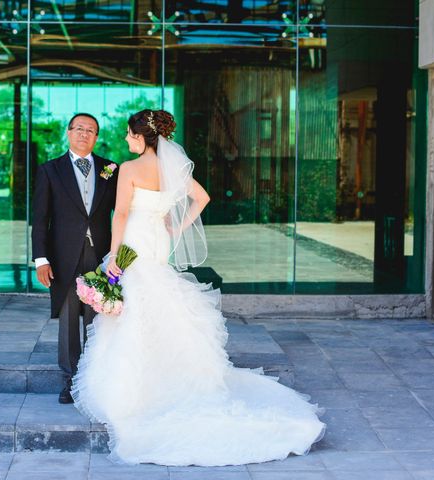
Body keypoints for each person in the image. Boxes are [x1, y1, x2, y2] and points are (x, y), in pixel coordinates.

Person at [70, 109, 326, 466]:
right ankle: (174, 376)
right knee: (158, 298)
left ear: (143, 137)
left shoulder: (129, 169)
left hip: (134, 243)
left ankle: (137, 391)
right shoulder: (173, 168)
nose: (127, 140)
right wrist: (176, 227)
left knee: (137, 305)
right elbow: (202, 198)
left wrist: (114, 254)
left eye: (130, 134)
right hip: (158, 242)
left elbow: (122, 215)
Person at [31, 113, 118, 404]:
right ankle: (71, 380)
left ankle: (96, 378)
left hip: (101, 254)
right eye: (79, 129)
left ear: (96, 137)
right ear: (68, 133)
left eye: (90, 130)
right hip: (63, 255)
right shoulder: (50, 170)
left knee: (99, 317)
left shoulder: (110, 169)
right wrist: (41, 259)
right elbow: (40, 219)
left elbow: (124, 209)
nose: (84, 134)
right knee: (69, 319)